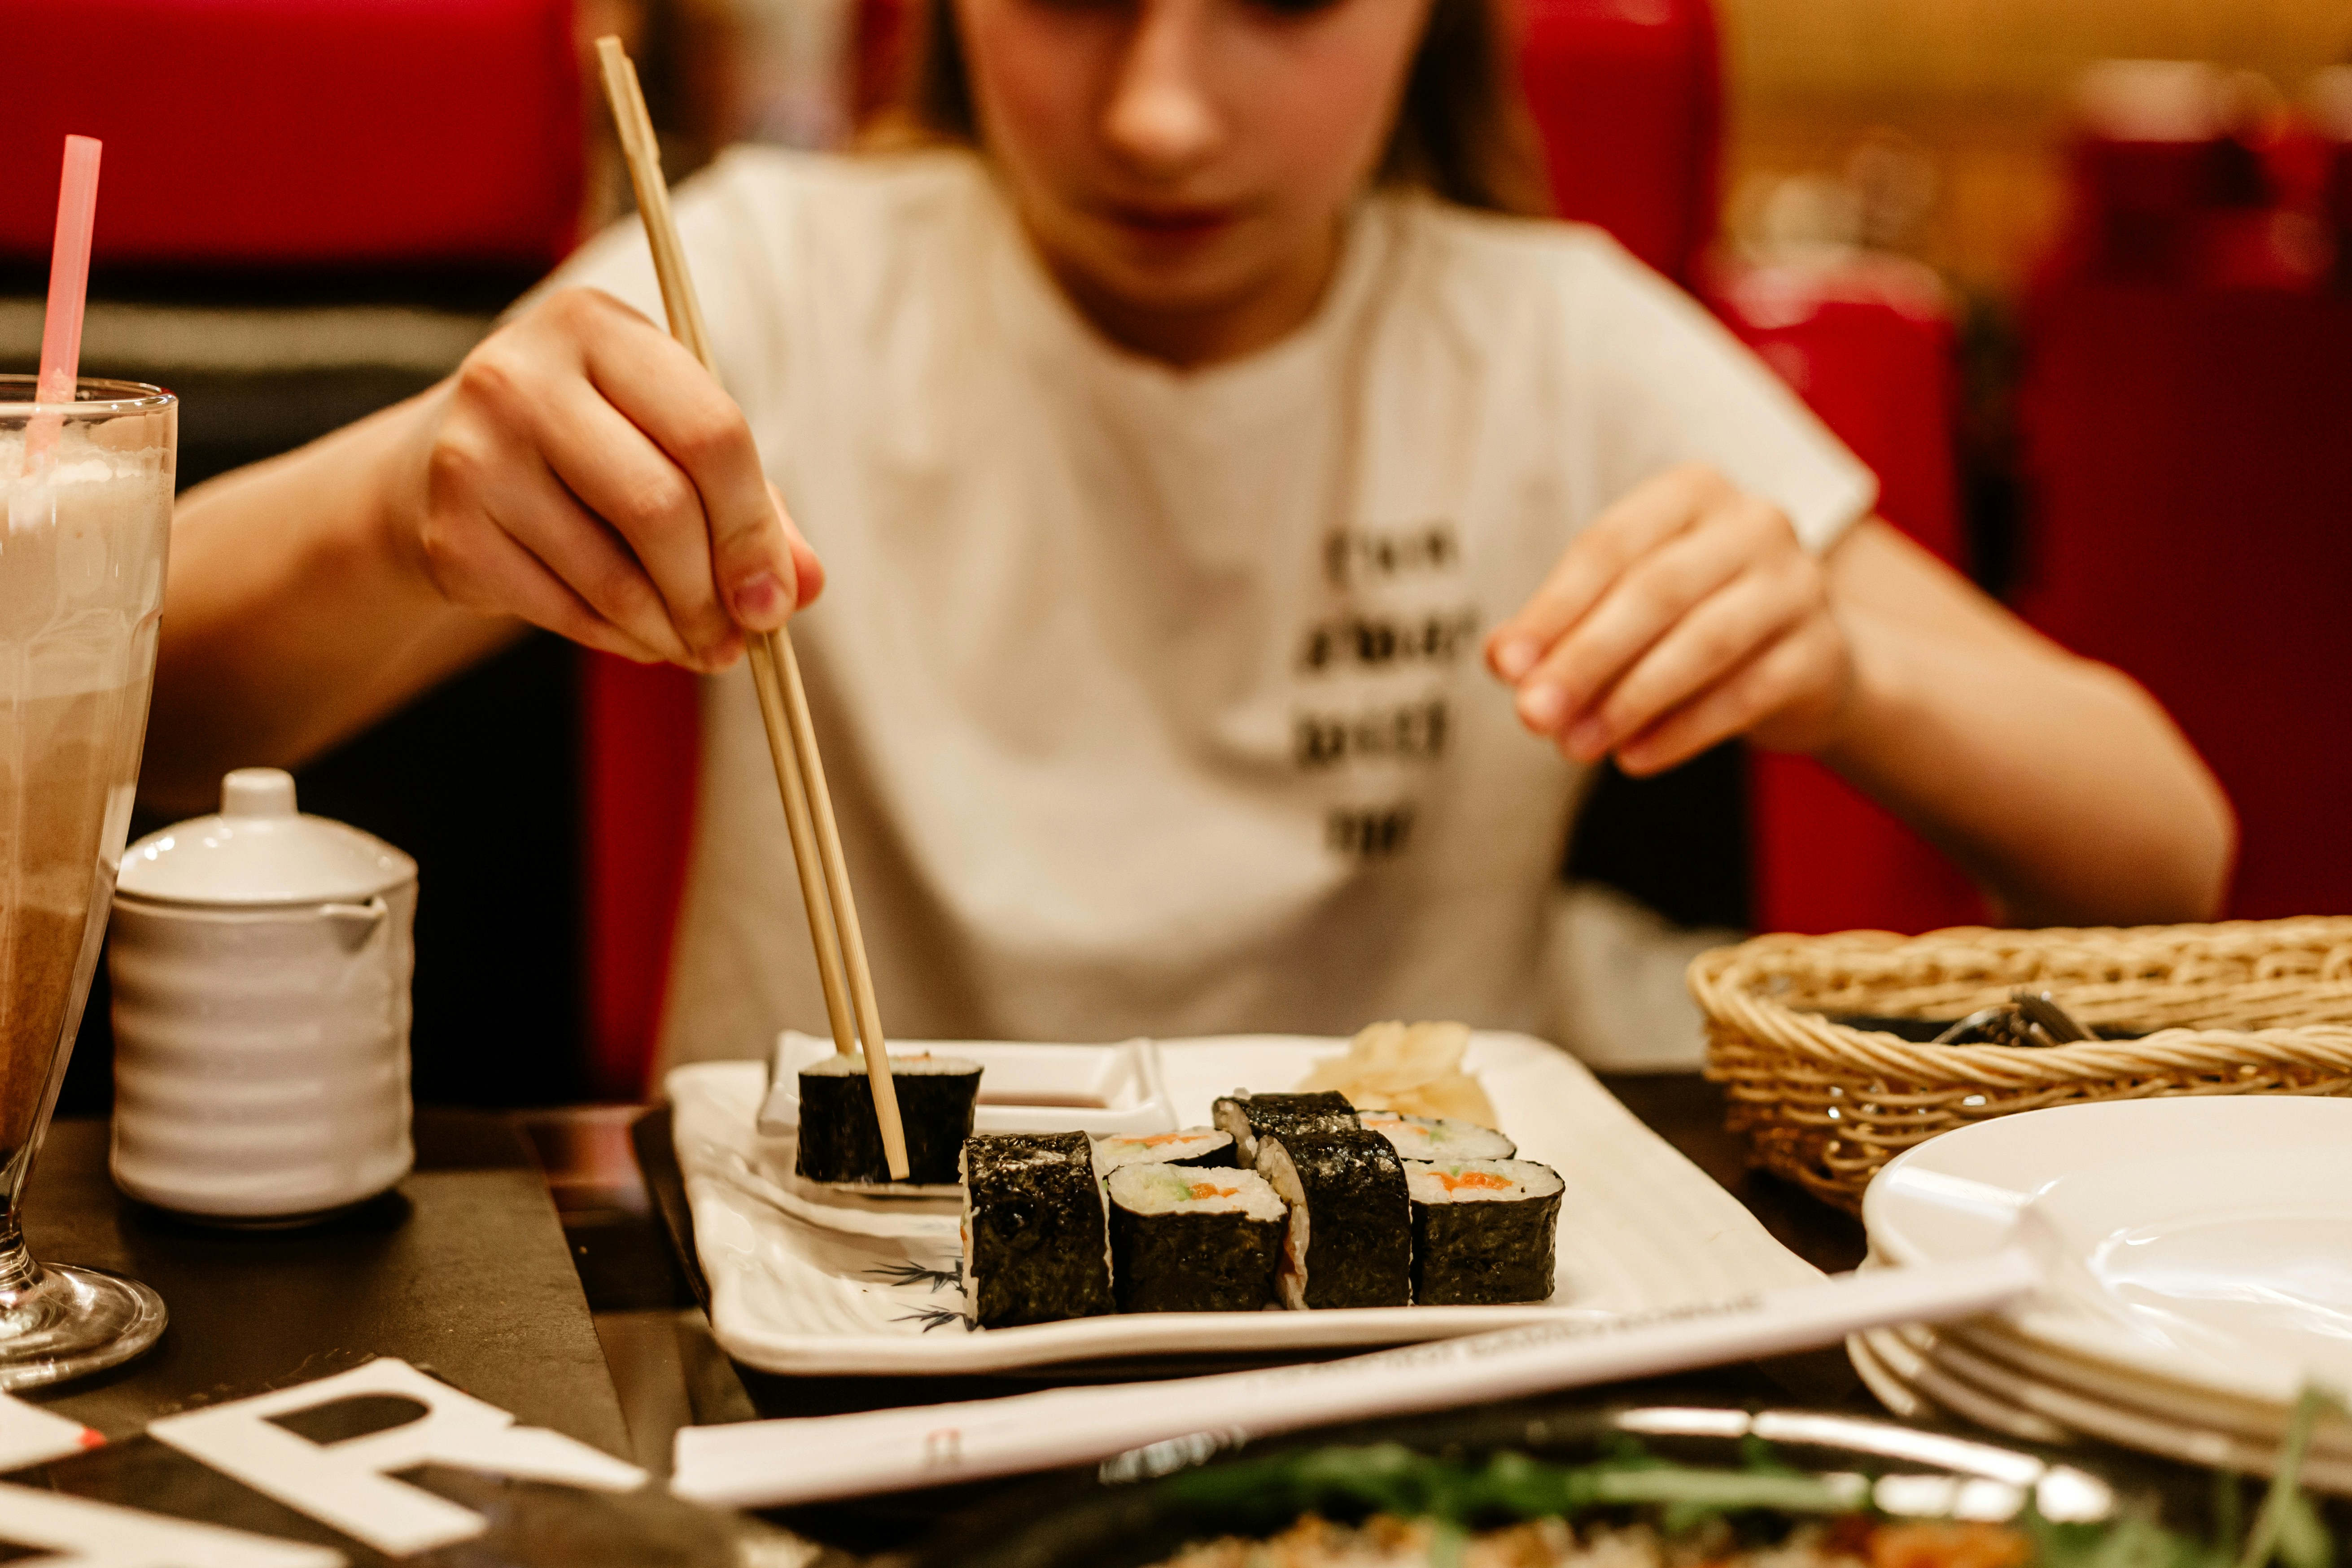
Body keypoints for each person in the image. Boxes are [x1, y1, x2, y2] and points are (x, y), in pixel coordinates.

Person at [143, 0, 2234, 1071]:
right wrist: (406, 507)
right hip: (821, 1304)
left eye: (1282, 2)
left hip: (1414, 1360)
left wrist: (1845, 672)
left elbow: (2164, 850)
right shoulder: (763, 279)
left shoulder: (1551, 334)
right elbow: (122, 721)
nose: (1160, 113)